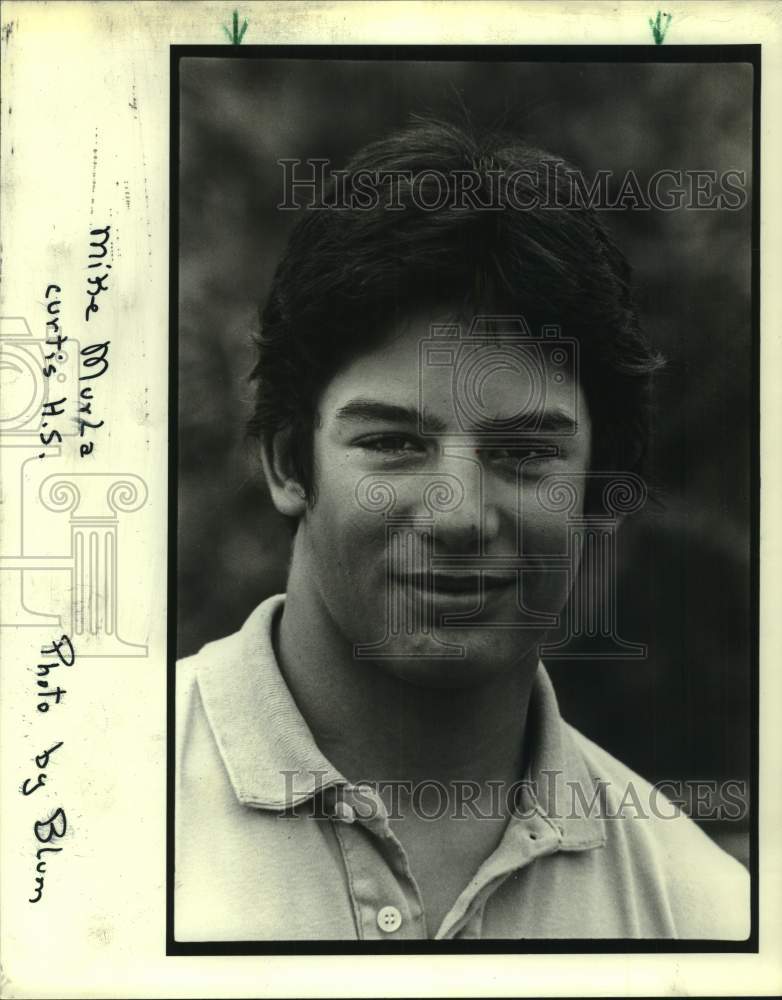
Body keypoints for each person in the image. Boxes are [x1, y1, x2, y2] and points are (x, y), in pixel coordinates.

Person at [175, 118, 749, 941]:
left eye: (522, 453)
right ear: (286, 465)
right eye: (393, 444)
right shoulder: (75, 804)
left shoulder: (701, 914)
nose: (457, 515)